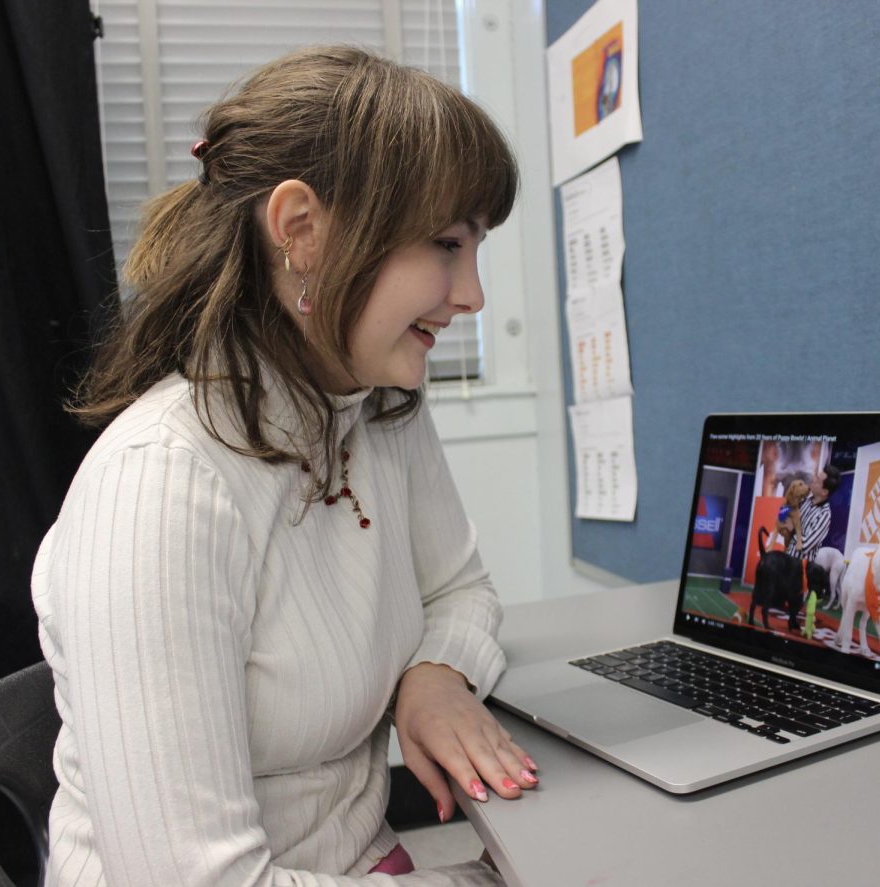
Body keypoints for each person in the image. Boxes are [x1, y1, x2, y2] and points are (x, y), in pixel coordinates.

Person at [31, 46, 534, 885]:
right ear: (301, 229)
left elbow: (461, 587)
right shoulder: (160, 484)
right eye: (446, 243)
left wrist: (435, 675)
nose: (472, 293)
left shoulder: (375, 406)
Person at [784, 464, 840, 562]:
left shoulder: (824, 515)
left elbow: (805, 545)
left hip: (800, 567)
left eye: (818, 480)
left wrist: (792, 529)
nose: (813, 479)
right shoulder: (804, 499)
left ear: (824, 492)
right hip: (786, 558)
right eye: (816, 476)